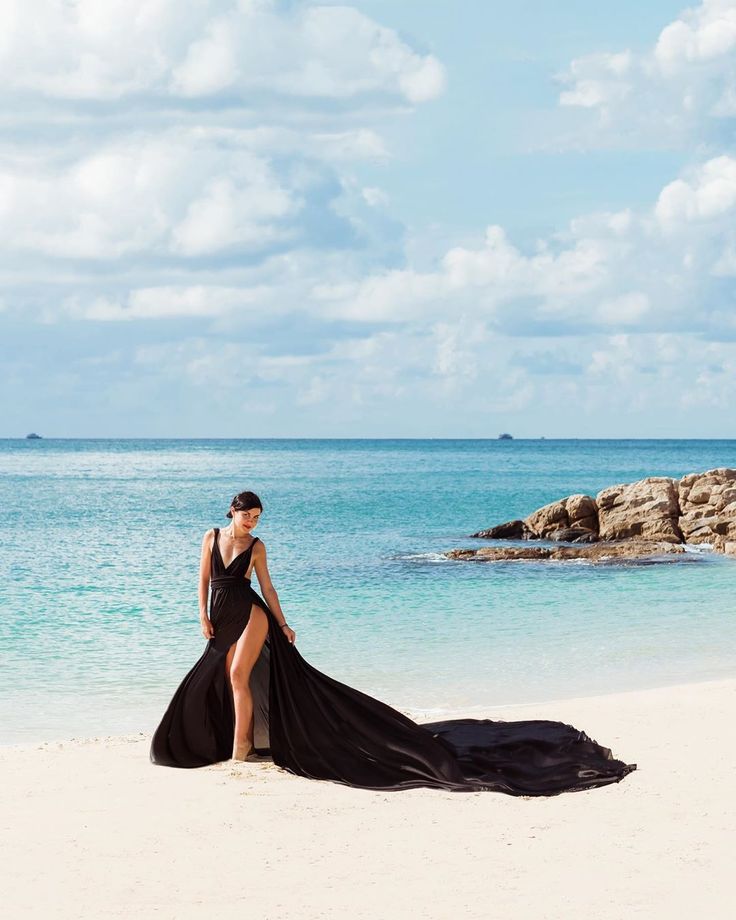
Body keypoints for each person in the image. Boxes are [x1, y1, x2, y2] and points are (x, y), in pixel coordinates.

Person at [150, 491, 637, 796]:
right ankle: (248, 740)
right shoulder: (211, 536)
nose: (253, 522)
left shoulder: (257, 548)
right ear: (231, 512)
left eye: (258, 517)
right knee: (218, 676)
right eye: (248, 515)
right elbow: (202, 579)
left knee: (238, 677)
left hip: (252, 612)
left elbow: (269, 588)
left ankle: (240, 750)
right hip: (220, 612)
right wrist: (201, 616)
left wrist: (283, 621)